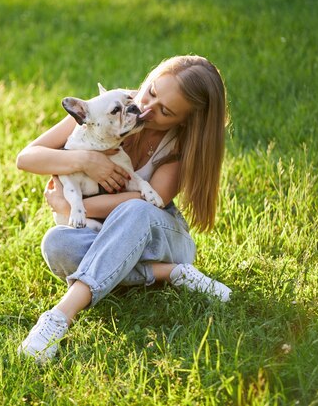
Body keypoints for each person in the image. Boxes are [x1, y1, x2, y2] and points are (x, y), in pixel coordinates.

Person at [15, 55, 233, 363]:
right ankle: (169, 275)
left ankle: (59, 317)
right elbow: (27, 157)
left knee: (134, 209)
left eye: (164, 111)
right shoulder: (110, 104)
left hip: (161, 237)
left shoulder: (182, 142)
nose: (146, 108)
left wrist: (72, 205)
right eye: (152, 92)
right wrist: (85, 160)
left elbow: (145, 201)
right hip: (108, 235)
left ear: (184, 121)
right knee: (57, 243)